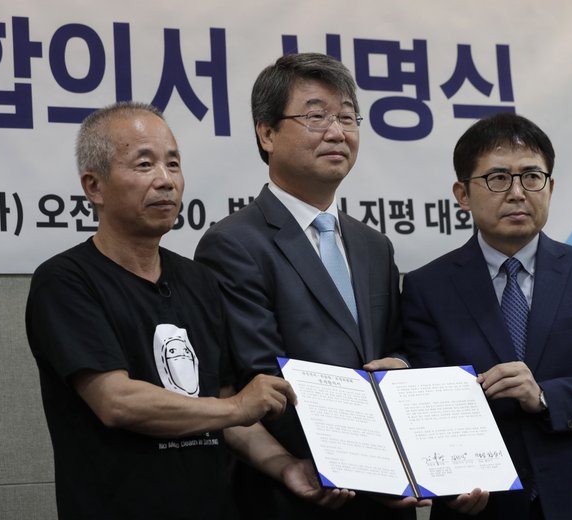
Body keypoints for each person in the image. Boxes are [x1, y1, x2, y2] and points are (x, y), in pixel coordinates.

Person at [194, 53, 486, 519]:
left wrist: (404, 370)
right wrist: (371, 465)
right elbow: (261, 374)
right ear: (266, 133)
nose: (337, 131)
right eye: (315, 116)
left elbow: (399, 348)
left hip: (388, 500)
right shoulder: (233, 243)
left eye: (347, 116)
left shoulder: (374, 245)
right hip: (299, 493)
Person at [26, 101, 347, 519]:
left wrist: (285, 465)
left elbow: (226, 404)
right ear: (94, 186)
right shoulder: (66, 281)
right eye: (144, 165)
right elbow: (117, 401)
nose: (165, 181)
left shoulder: (199, 281)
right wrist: (235, 408)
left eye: (173, 164)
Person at [401, 112, 572, 519]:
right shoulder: (427, 287)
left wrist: (544, 396)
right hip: (483, 503)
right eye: (498, 178)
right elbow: (429, 399)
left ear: (550, 188)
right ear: (462, 194)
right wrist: (449, 486)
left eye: (531, 177)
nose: (517, 192)